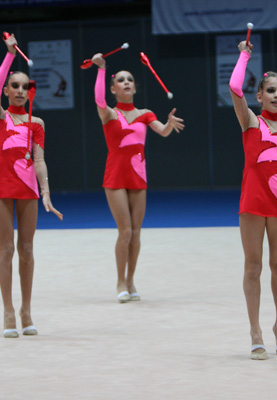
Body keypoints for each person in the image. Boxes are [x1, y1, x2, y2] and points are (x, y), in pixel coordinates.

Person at [229, 41, 277, 360]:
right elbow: (235, 86)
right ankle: (255, 332)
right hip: (252, 200)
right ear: (260, 95)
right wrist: (244, 54)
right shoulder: (250, 121)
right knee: (253, 266)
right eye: (271, 90)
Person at [91, 53, 184, 303]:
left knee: (137, 232)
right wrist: (101, 69)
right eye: (121, 80)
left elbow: (163, 132)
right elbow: (99, 99)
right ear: (114, 89)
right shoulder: (109, 114)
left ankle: (131, 279)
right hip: (115, 176)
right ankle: (120, 281)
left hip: (138, 175)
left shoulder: (145, 113)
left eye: (130, 79)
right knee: (125, 231)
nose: (126, 83)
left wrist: (168, 123)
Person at [0, 33, 63, 338]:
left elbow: (40, 160)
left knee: (27, 249)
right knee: (6, 249)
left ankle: (26, 309)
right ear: (6, 90)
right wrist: (9, 55)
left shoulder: (37, 123)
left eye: (25, 86)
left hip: (29, 187)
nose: (20, 90)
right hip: (2, 185)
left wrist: (45, 191)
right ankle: (8, 311)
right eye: (14, 86)